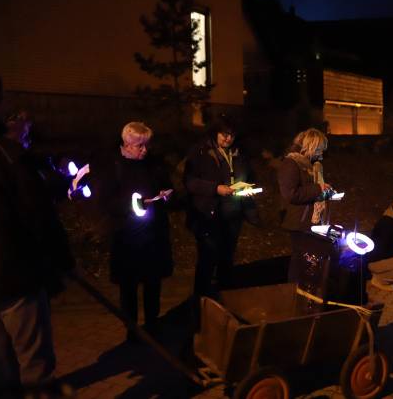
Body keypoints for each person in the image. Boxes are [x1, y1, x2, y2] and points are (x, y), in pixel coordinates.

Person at [0, 70, 74, 388]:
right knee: (32, 367)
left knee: (0, 370)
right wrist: (62, 263)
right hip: (13, 280)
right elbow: (38, 216)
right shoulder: (5, 155)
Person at [96, 122, 173, 340]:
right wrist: (132, 204)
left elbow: (167, 185)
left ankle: (152, 323)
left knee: (152, 283)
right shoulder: (114, 167)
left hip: (153, 236)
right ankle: (132, 328)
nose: (145, 150)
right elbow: (105, 201)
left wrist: (166, 193)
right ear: (127, 144)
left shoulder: (153, 164)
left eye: (146, 145)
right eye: (140, 146)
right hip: (127, 238)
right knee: (128, 287)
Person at [184, 116, 259, 296]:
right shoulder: (201, 152)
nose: (228, 139)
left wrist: (247, 187)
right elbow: (190, 182)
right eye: (224, 135)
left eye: (232, 135)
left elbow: (250, 176)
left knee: (227, 259)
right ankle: (201, 302)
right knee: (207, 260)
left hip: (233, 215)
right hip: (209, 215)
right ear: (215, 132)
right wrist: (215, 188)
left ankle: (224, 299)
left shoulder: (239, 153)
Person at [277, 128, 333, 281]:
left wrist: (326, 192)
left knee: (308, 260)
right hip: (298, 223)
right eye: (320, 149)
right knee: (299, 260)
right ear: (311, 146)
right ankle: (294, 294)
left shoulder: (312, 166)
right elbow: (291, 194)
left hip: (311, 222)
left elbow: (312, 191)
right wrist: (318, 188)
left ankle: (306, 292)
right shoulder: (291, 164)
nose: (322, 153)